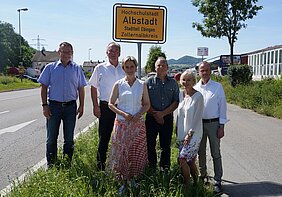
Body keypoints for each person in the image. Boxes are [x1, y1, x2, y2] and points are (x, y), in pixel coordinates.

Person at [38, 42, 87, 167]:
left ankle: (67, 163)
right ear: (59, 52)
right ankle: (52, 164)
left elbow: (81, 88)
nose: (66, 54)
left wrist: (81, 106)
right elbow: (43, 87)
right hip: (54, 107)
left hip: (71, 107)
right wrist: (44, 105)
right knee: (51, 138)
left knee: (69, 138)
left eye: (69, 52)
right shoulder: (50, 68)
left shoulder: (76, 69)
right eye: (63, 51)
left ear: (72, 53)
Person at [108, 56, 150, 195]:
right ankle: (122, 182)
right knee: (122, 153)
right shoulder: (118, 84)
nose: (130, 69)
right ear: (123, 68)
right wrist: (123, 114)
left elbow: (146, 104)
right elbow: (110, 104)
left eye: (132, 66)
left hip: (137, 124)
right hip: (122, 123)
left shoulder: (142, 84)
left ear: (136, 67)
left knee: (135, 152)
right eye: (127, 67)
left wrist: (139, 114)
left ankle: (133, 179)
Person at [88, 42, 125, 171]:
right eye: (110, 50)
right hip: (105, 108)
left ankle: (119, 166)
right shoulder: (100, 68)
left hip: (122, 108)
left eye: (115, 51)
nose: (112, 53)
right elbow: (93, 87)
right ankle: (101, 166)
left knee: (121, 138)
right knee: (104, 138)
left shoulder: (124, 68)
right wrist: (95, 106)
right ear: (106, 52)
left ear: (119, 53)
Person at [194, 61, 228, 195]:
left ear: (210, 71)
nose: (205, 72)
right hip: (199, 124)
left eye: (207, 70)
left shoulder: (217, 87)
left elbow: (222, 107)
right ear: (199, 72)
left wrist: (222, 126)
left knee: (215, 153)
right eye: (202, 70)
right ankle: (203, 177)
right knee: (200, 152)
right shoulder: (196, 87)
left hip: (214, 124)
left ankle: (218, 181)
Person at [145, 56, 179, 172]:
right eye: (158, 65)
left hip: (167, 118)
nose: (161, 67)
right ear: (155, 68)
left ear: (167, 67)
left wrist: (163, 114)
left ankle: (165, 168)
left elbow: (176, 102)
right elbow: (144, 101)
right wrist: (156, 115)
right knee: (150, 144)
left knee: (165, 145)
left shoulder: (173, 83)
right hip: (151, 118)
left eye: (163, 65)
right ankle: (152, 166)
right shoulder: (148, 82)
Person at [176, 70, 204, 186]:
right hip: (182, 133)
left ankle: (187, 184)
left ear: (193, 81)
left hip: (194, 133)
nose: (186, 82)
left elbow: (198, 117)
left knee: (182, 159)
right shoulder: (181, 94)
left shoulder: (198, 96)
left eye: (189, 80)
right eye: (184, 79)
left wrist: (190, 134)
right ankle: (197, 184)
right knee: (190, 160)